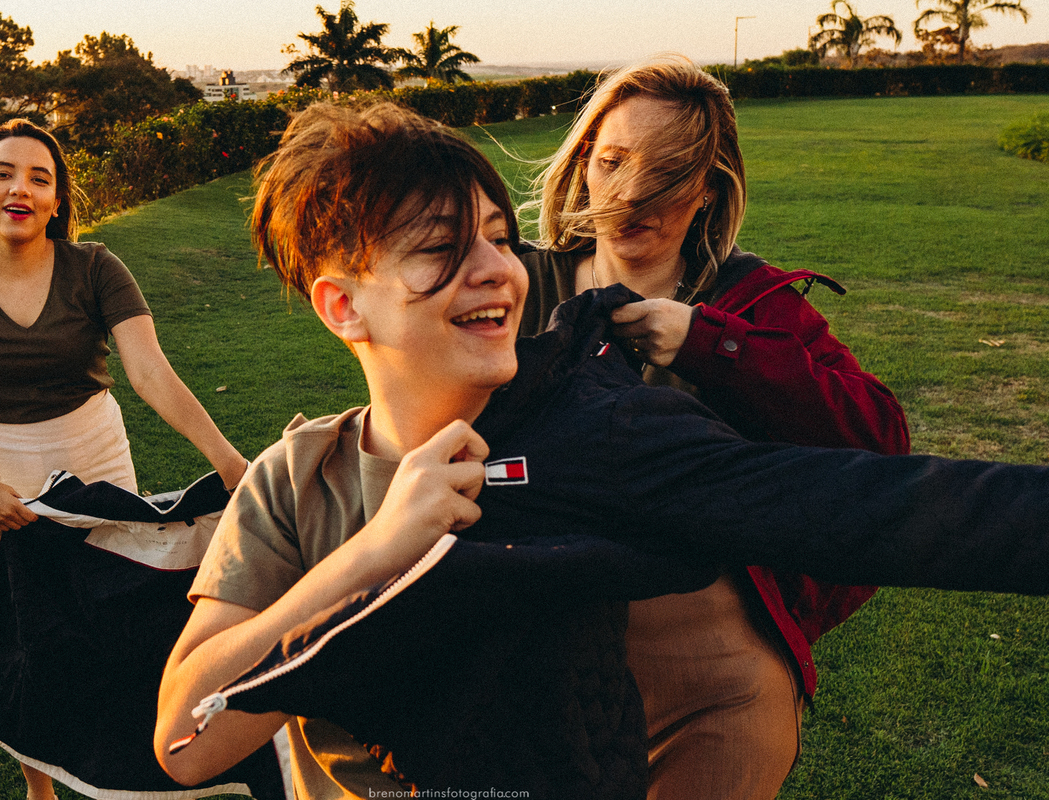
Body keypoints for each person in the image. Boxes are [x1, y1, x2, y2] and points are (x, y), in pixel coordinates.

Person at [155, 101, 1049, 798]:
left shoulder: (593, 434)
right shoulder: (294, 481)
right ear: (343, 305)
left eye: (500, 241)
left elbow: (877, 502)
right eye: (440, 249)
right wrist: (381, 549)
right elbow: (186, 741)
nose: (497, 271)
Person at [520, 55, 909, 799]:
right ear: (582, 168)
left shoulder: (750, 303)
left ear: (707, 187)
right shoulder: (513, 283)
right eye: (613, 162)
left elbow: (881, 442)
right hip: (531, 662)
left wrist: (711, 345)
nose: (633, 197)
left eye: (669, 173)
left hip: (716, 677)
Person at [0, 118, 248, 800]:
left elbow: (149, 373)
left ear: (58, 201)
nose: (19, 188)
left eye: (39, 177)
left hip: (94, 456)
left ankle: (108, 769)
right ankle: (40, 785)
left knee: (102, 618)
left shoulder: (96, 268)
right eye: (2, 173)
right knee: (15, 632)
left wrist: (227, 459)